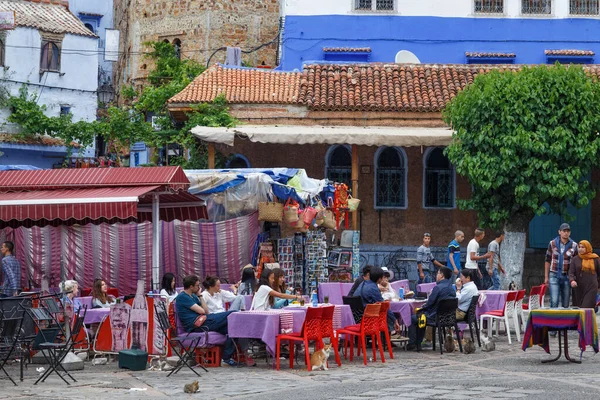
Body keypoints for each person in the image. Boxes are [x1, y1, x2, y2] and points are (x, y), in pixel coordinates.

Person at [175, 275, 239, 366]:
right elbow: (202, 311)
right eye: (197, 285)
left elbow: (206, 311)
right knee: (233, 313)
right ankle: (227, 356)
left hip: (204, 320)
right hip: (196, 325)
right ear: (191, 286)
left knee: (234, 329)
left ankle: (226, 357)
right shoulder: (183, 297)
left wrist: (200, 296)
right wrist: (200, 297)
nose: (199, 287)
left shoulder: (193, 296)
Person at [407, 267, 456, 351]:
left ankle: (413, 343)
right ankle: (417, 342)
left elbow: (430, 303)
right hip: (448, 318)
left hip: (435, 317)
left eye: (438, 273)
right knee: (421, 315)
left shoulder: (438, 288)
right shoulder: (452, 288)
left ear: (442, 276)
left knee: (414, 318)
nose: (436, 275)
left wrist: (422, 308)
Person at [354, 266, 401, 337]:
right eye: (382, 277)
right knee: (386, 313)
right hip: (366, 320)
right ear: (379, 279)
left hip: (356, 317)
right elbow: (384, 305)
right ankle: (389, 337)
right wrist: (395, 320)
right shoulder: (373, 288)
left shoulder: (362, 284)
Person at [545, 223, 578, 309]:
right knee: (554, 301)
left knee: (566, 303)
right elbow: (547, 260)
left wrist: (574, 277)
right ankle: (553, 321)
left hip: (567, 276)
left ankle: (564, 322)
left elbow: (576, 262)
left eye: (568, 231)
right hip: (554, 274)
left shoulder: (574, 245)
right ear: (559, 232)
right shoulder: (552, 243)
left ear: (570, 233)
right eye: (564, 231)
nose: (566, 233)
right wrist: (546, 277)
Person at [568, 240, 600, 309]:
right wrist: (572, 280)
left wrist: (598, 284)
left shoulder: (595, 259)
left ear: (588, 248)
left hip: (591, 286)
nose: (581, 249)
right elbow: (571, 272)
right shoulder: (575, 259)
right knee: (578, 307)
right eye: (579, 247)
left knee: (586, 307)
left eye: (583, 247)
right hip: (578, 287)